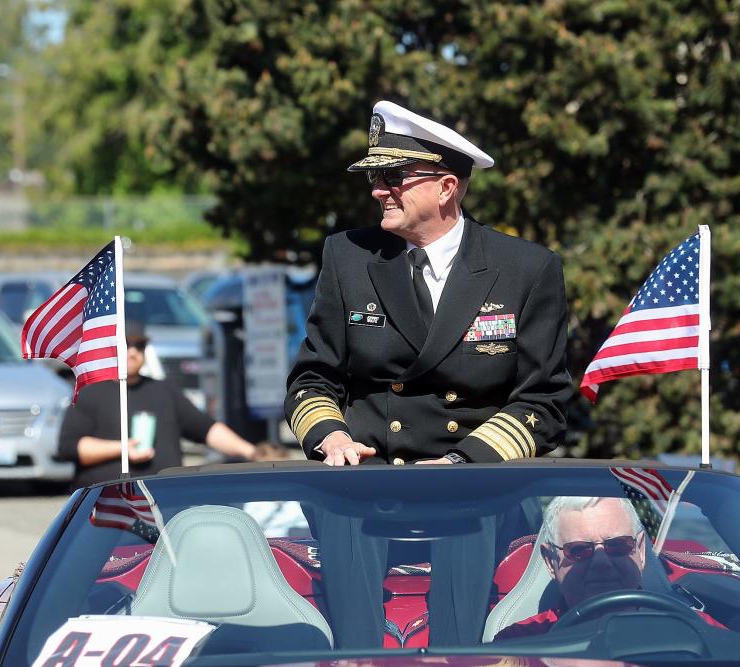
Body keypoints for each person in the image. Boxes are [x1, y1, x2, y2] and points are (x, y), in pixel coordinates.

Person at [285, 100, 572, 465]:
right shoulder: (348, 257)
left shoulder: (526, 268)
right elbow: (312, 379)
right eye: (375, 178)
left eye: (393, 177)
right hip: (367, 488)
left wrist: (461, 462)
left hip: (478, 492)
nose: (378, 190)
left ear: (446, 187)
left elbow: (543, 401)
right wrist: (332, 436)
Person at [57, 320, 257, 489]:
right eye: (126, 344)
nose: (133, 351)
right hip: (108, 507)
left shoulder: (164, 391)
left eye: (140, 345)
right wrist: (123, 448)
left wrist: (252, 452)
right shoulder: (89, 392)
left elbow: (207, 429)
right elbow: (70, 447)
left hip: (164, 500)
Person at [495, 496, 722, 639]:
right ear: (550, 561)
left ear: (641, 550)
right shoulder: (520, 644)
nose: (601, 563)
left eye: (617, 545)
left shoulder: (697, 633)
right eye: (579, 549)